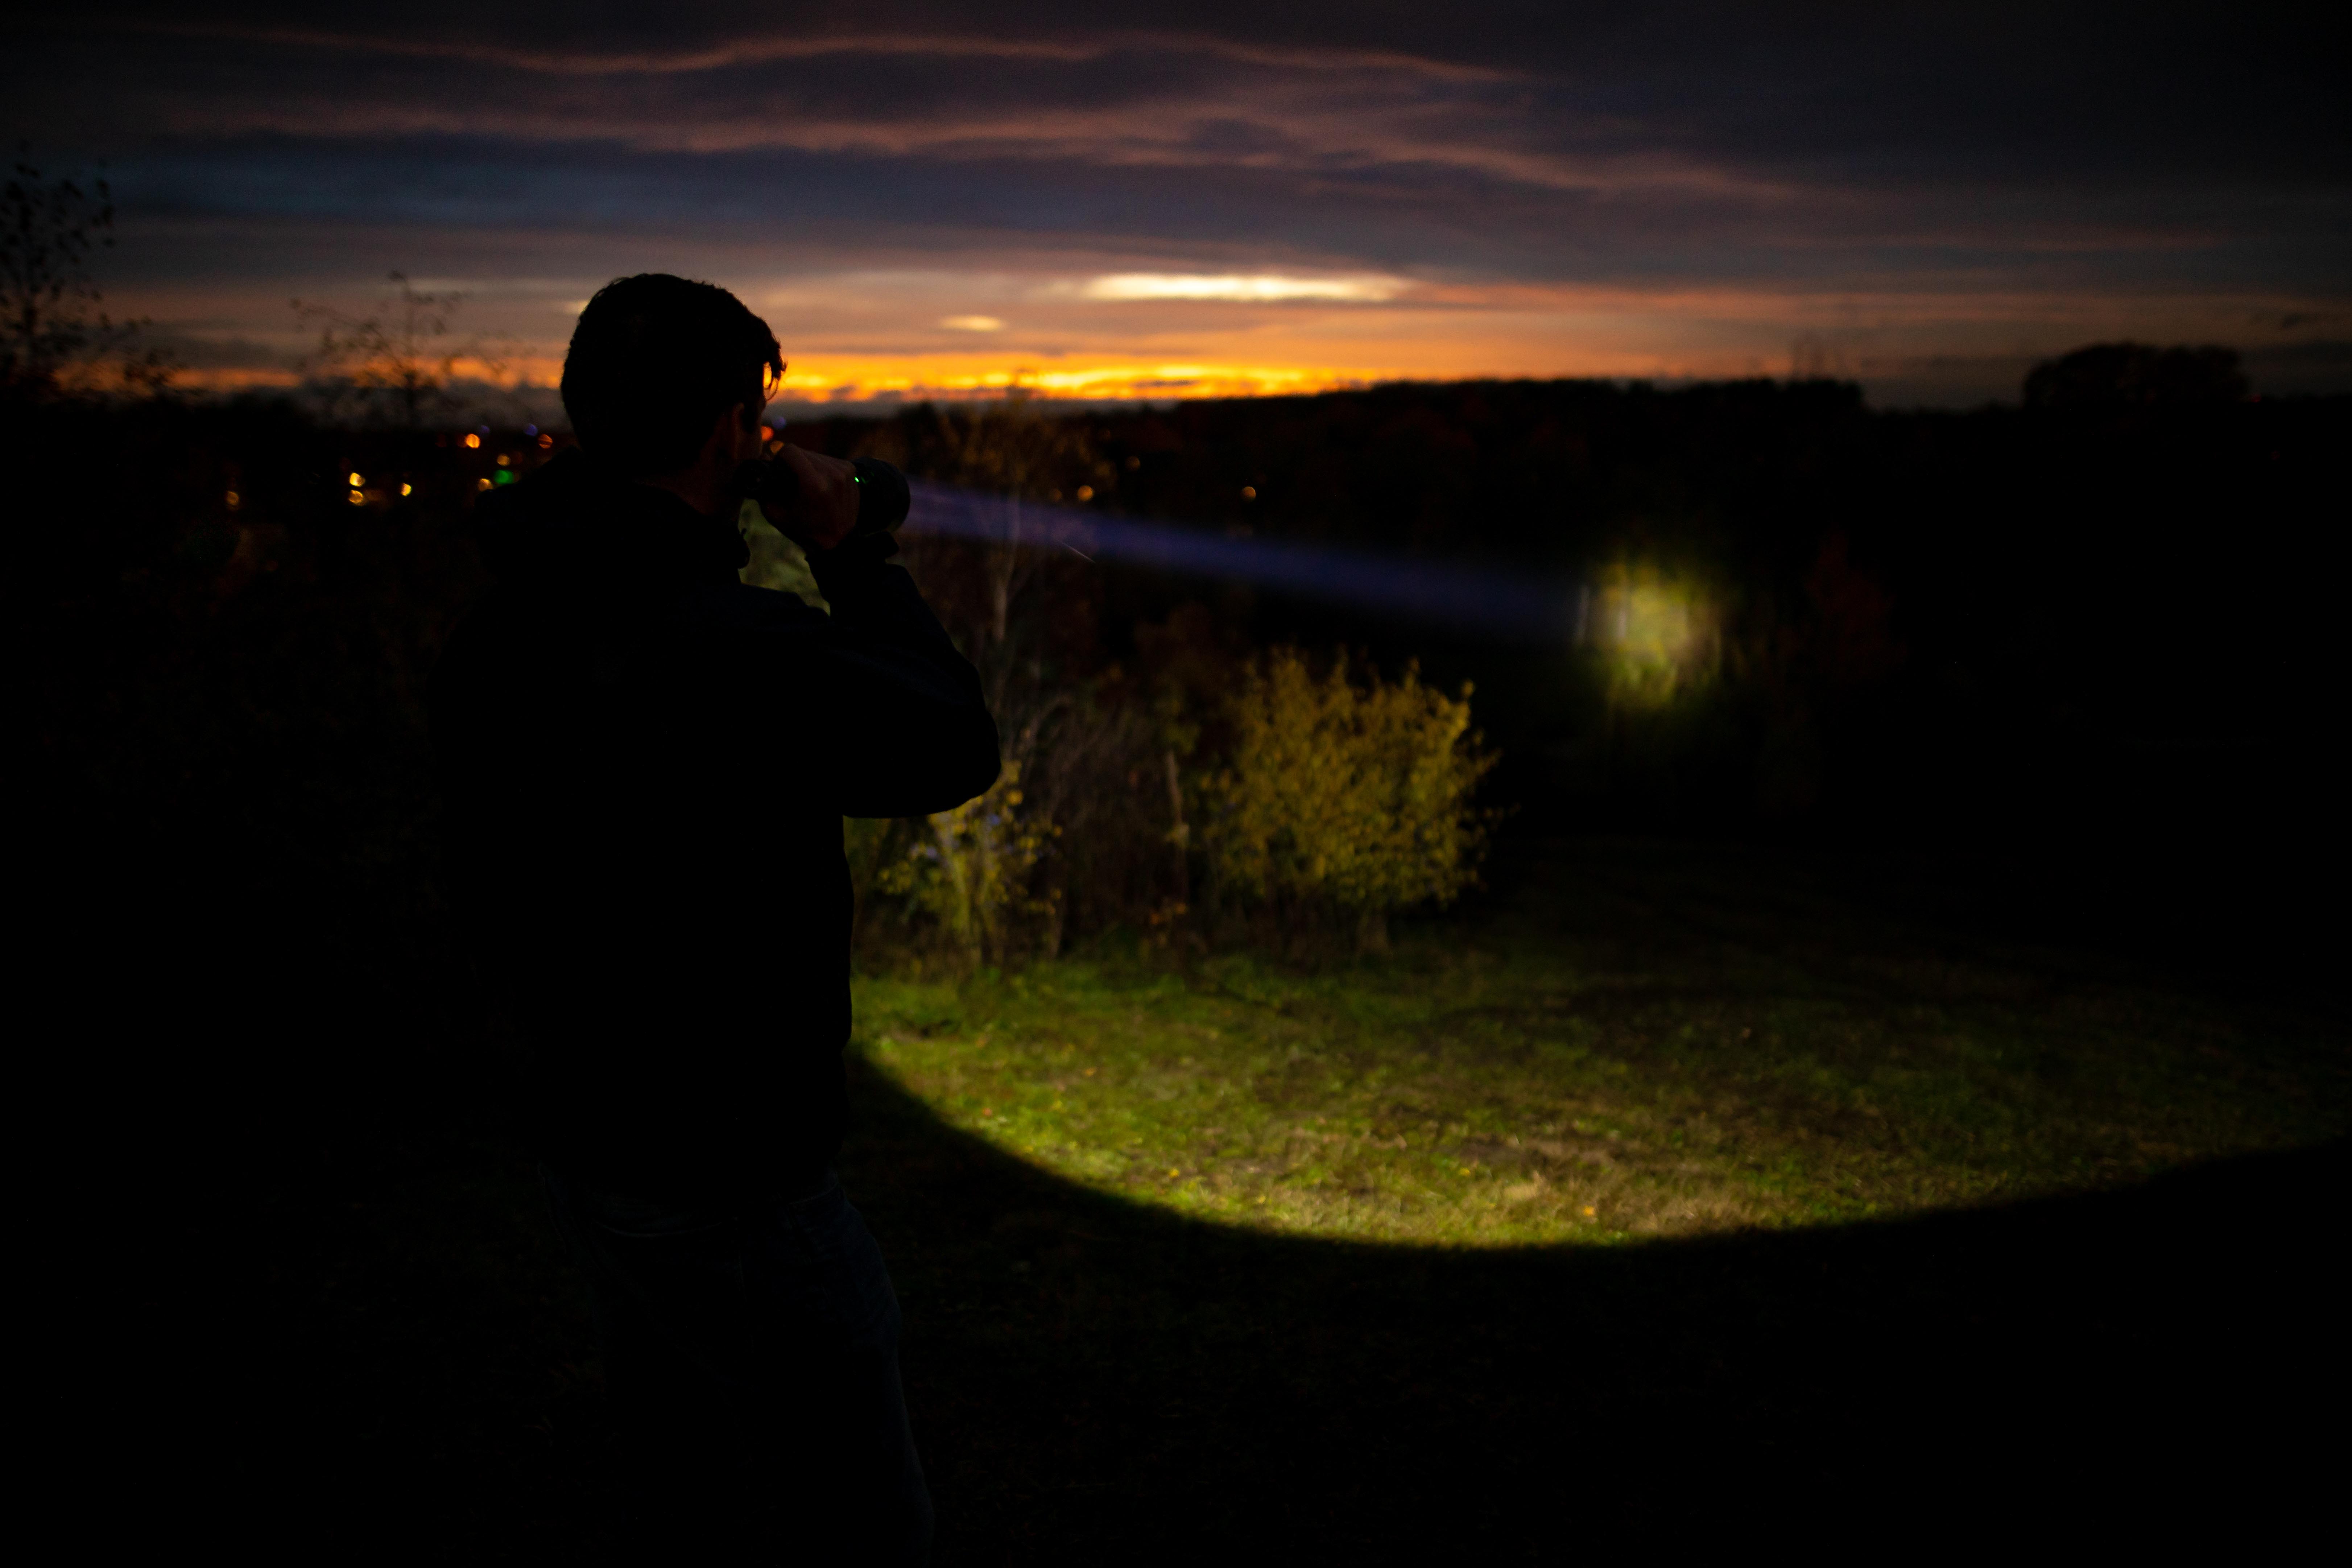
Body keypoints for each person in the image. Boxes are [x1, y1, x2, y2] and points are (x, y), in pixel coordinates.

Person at [430, 273, 998, 1559]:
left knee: (682, 1480)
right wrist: (854, 550)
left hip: (589, 1134)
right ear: (726, 432)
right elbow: (951, 742)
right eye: (755, 420)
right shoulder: (723, 648)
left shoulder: (500, 628)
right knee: (861, 1527)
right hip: (735, 1171)